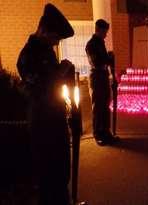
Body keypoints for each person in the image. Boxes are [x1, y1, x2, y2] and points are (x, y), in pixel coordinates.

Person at [17, 3, 75, 204]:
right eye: (55, 37)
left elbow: (52, 81)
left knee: (62, 172)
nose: (57, 43)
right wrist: (59, 72)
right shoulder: (27, 56)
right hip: (42, 124)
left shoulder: (47, 50)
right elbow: (39, 89)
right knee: (48, 176)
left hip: (56, 119)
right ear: (43, 30)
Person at [86, 19, 117, 146]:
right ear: (98, 30)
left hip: (103, 75)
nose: (106, 34)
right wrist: (108, 58)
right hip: (96, 76)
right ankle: (98, 134)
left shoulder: (100, 43)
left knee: (105, 105)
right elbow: (96, 62)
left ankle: (106, 132)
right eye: (105, 31)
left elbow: (106, 61)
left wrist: (110, 62)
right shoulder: (91, 44)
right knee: (98, 107)